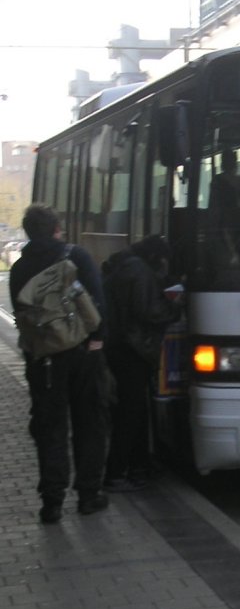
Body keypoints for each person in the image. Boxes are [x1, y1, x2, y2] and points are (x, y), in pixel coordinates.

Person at [9, 204, 110, 523]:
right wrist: (98, 339)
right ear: (55, 229)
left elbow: (21, 314)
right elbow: (97, 299)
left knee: (50, 427)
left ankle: (51, 502)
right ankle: (88, 495)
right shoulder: (74, 256)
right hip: (82, 353)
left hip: (43, 360)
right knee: (89, 423)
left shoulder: (20, 268)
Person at [103, 235, 182, 492]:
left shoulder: (125, 265)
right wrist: (174, 308)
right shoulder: (137, 270)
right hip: (131, 350)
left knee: (135, 410)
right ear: (155, 257)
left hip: (122, 347)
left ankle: (139, 465)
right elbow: (149, 310)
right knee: (130, 413)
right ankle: (115, 473)